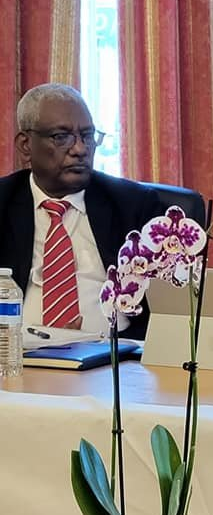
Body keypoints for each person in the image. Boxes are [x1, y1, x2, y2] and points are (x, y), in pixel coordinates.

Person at [0, 83, 167, 339]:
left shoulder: (134, 206)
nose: (80, 149)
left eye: (87, 136)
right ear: (26, 145)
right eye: (61, 137)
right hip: (17, 355)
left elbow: (170, 309)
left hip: (114, 356)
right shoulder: (4, 201)